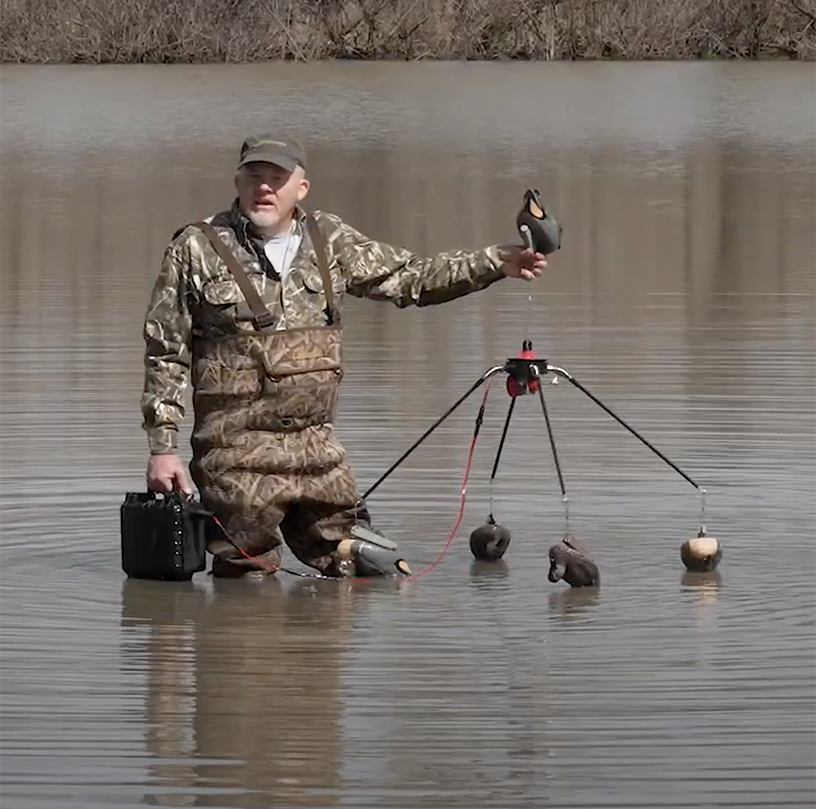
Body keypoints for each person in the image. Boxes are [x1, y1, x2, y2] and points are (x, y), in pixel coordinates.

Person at [140, 134, 547, 580]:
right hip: (234, 454)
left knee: (365, 566)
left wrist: (496, 263)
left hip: (319, 451)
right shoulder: (195, 249)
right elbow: (166, 352)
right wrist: (164, 449)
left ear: (302, 188)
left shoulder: (329, 239)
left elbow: (410, 278)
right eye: (254, 178)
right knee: (247, 580)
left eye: (277, 179)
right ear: (237, 182)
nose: (264, 189)